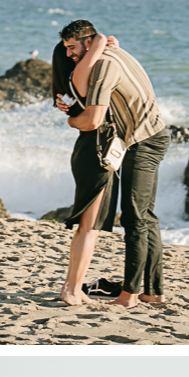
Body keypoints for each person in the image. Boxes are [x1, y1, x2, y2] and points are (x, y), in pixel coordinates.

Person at [57, 20, 170, 309]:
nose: (69, 54)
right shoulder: (113, 52)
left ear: (88, 42)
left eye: (72, 47)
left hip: (143, 141)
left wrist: (71, 120)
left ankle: (129, 296)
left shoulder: (104, 66)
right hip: (150, 135)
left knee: (135, 217)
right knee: (146, 216)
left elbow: (93, 120)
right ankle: (153, 292)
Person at [52, 34, 120, 305]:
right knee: (88, 228)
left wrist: (108, 45)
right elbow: (90, 121)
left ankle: (75, 287)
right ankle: (71, 289)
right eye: (66, 48)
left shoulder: (85, 76)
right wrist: (102, 39)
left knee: (88, 227)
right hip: (95, 152)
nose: (70, 54)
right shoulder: (82, 71)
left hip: (93, 150)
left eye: (72, 47)